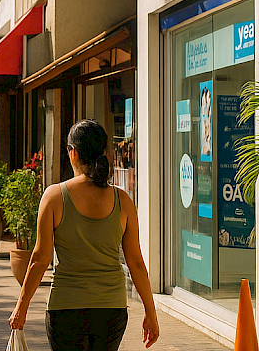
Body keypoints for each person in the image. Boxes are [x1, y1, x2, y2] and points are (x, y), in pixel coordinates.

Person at [9, 120, 159, 350]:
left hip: (66, 308)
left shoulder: (54, 197)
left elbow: (40, 259)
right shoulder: (123, 201)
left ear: (73, 153)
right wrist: (150, 312)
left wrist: (21, 307)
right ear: (105, 154)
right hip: (112, 309)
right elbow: (136, 262)